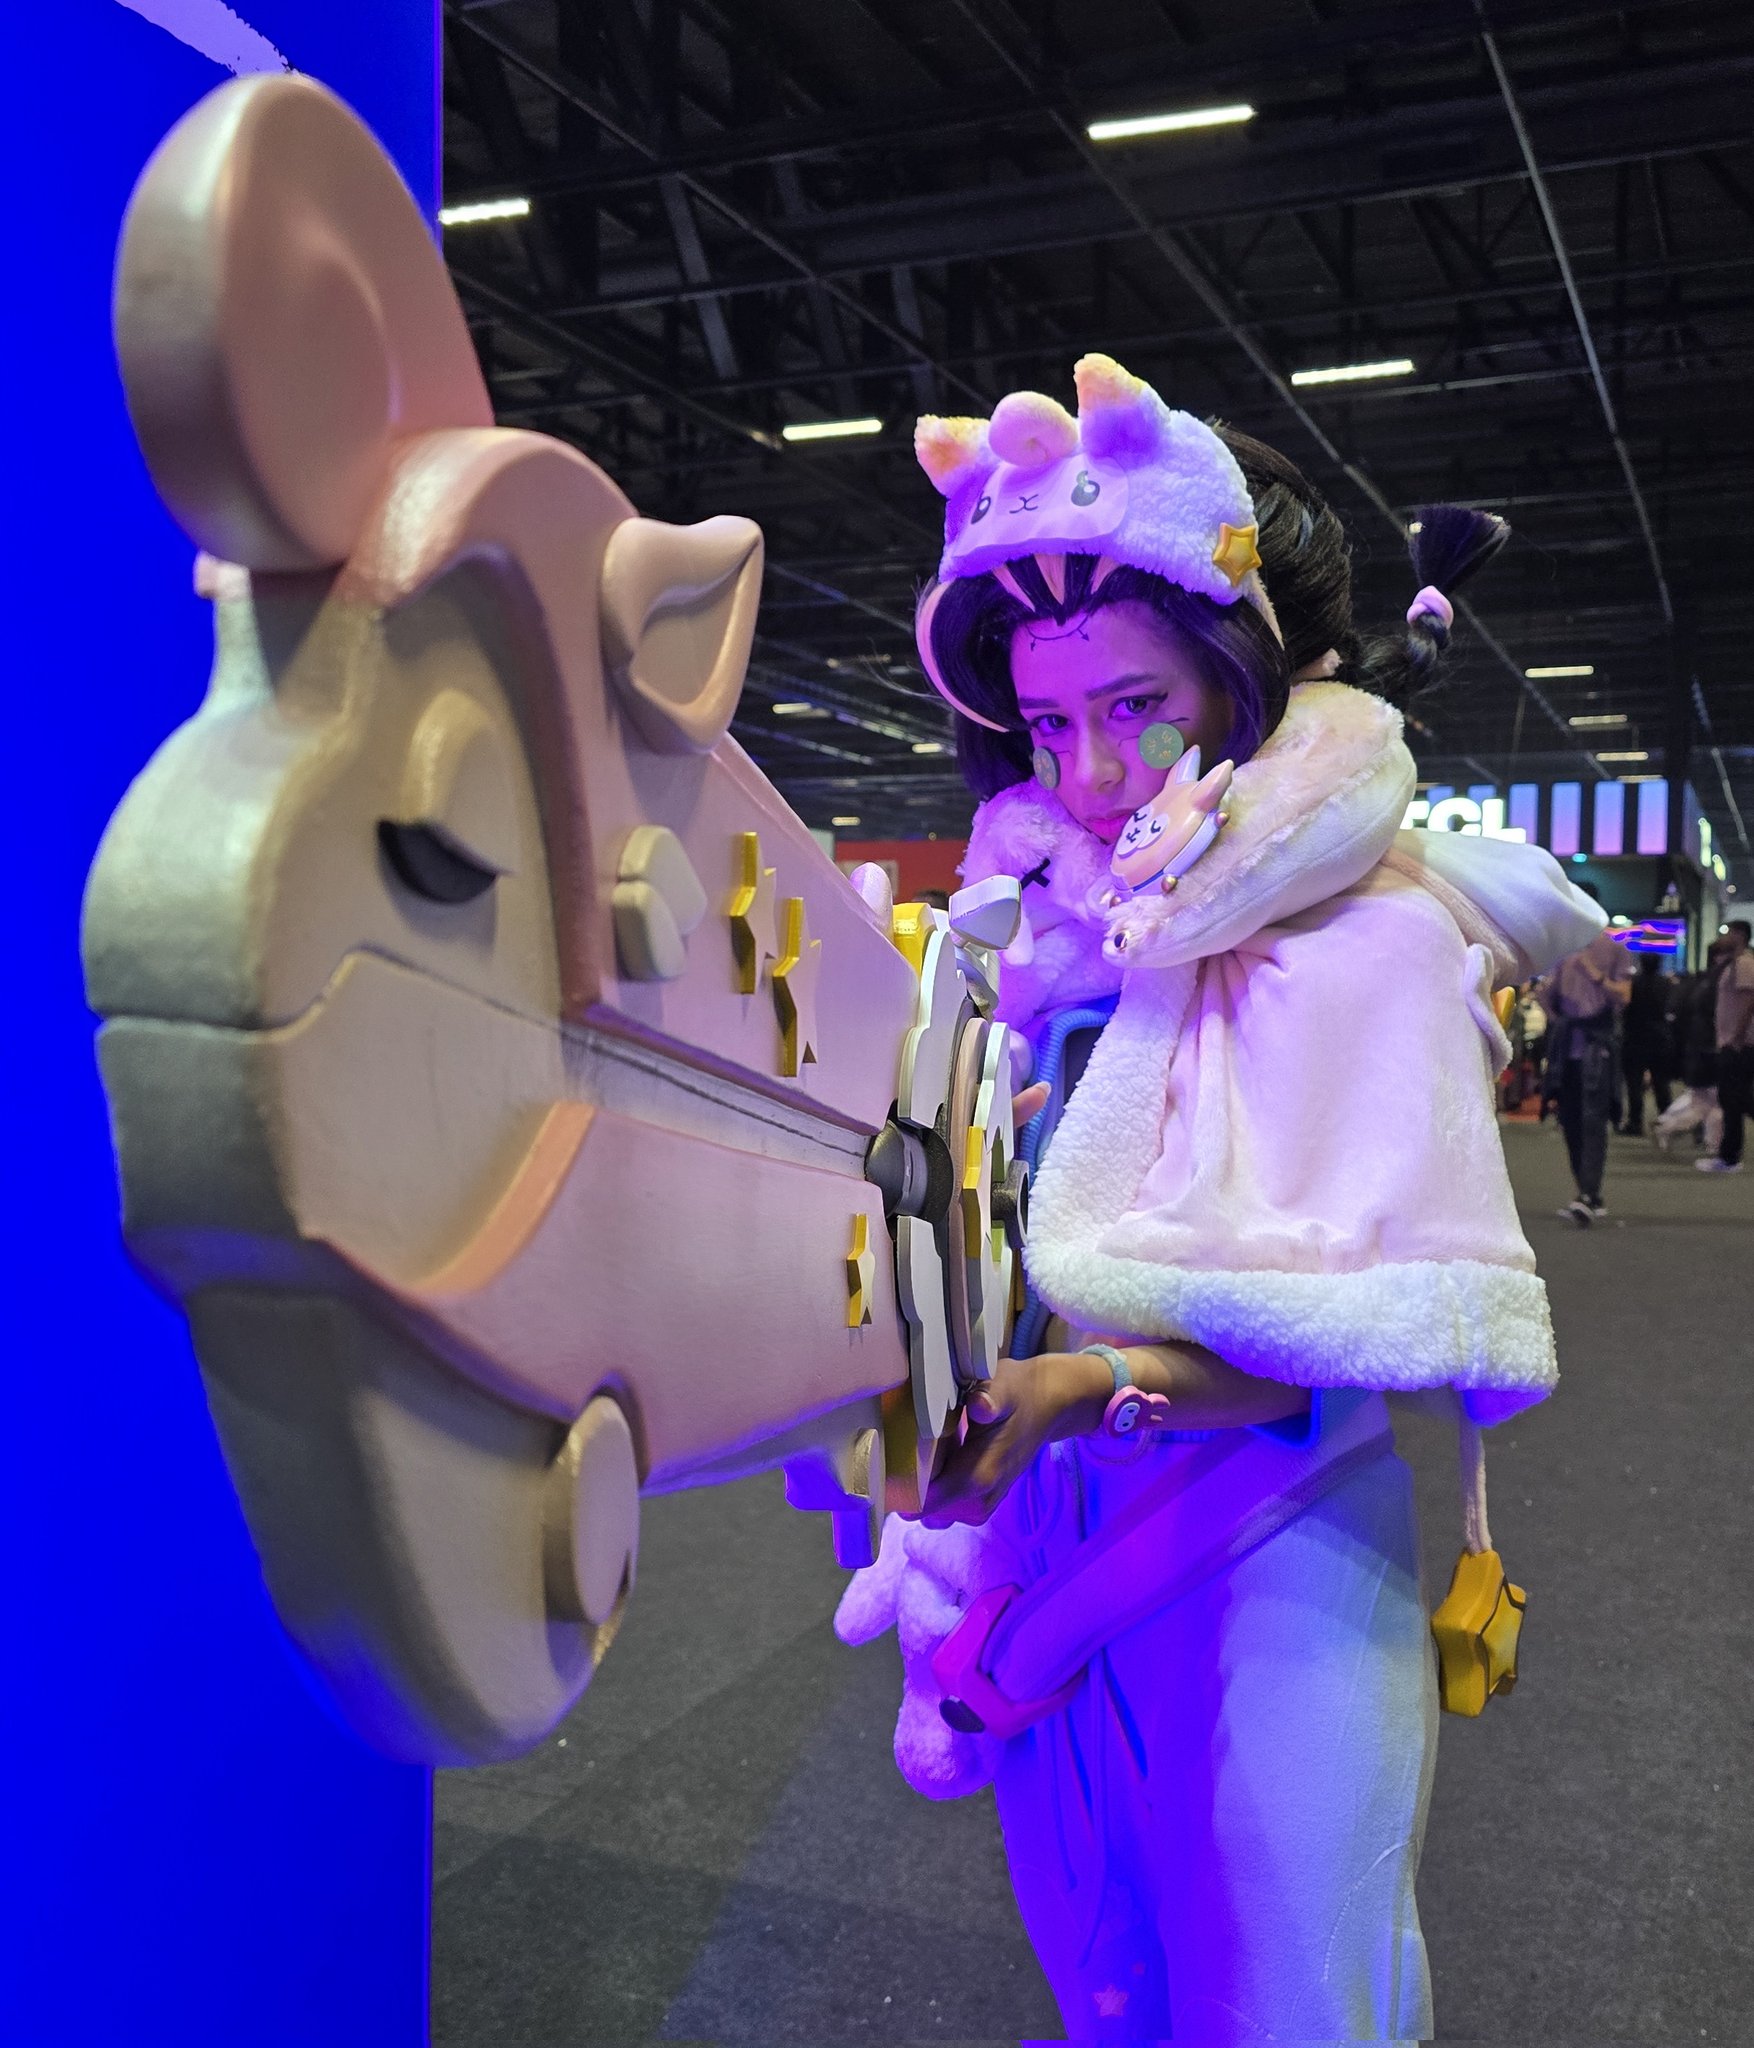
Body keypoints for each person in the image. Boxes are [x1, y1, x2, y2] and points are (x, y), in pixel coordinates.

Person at [836, 357, 1601, 2043]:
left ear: (1240, 688)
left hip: (1269, 1545)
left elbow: (1304, 1365)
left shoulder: (1365, 943)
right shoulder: (1035, 950)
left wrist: (1066, 1386)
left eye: (1135, 706)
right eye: (1050, 722)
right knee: (1106, 1974)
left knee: (1291, 1995)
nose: (1090, 770)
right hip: (1044, 1534)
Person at [1539, 902, 1633, 1225]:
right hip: (1568, 1049)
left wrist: (1595, 975)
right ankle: (1586, 1191)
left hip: (1597, 1047)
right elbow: (1545, 995)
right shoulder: (1564, 951)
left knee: (1593, 1121)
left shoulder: (1614, 950)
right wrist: (1558, 1020)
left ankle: (1589, 1194)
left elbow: (1623, 996)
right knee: (1570, 1121)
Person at [1699, 918, 1754, 1174]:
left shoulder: (1744, 963)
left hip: (1739, 1043)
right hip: (1731, 1040)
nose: (1724, 938)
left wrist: (1736, 1036)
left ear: (1740, 935)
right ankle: (1729, 1154)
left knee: (1733, 1098)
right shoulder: (1734, 963)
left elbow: (1748, 1001)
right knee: (1736, 1097)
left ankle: (1729, 1157)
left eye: (1728, 933)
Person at [1620, 952, 1673, 1136]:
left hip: (1635, 1036)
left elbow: (1624, 1008)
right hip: (1659, 1037)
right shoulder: (1666, 984)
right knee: (1661, 1083)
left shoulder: (1633, 983)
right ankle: (1666, 1120)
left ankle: (1635, 1122)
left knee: (1634, 1083)